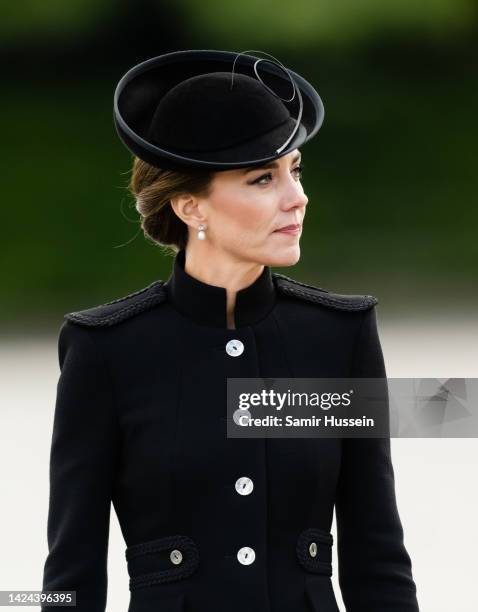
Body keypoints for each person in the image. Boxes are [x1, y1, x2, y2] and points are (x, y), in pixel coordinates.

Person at [40, 49, 420, 611]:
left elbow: (378, 558)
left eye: (295, 170)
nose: (297, 198)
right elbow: (69, 580)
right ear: (191, 207)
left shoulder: (340, 336)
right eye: (263, 179)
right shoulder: (106, 350)